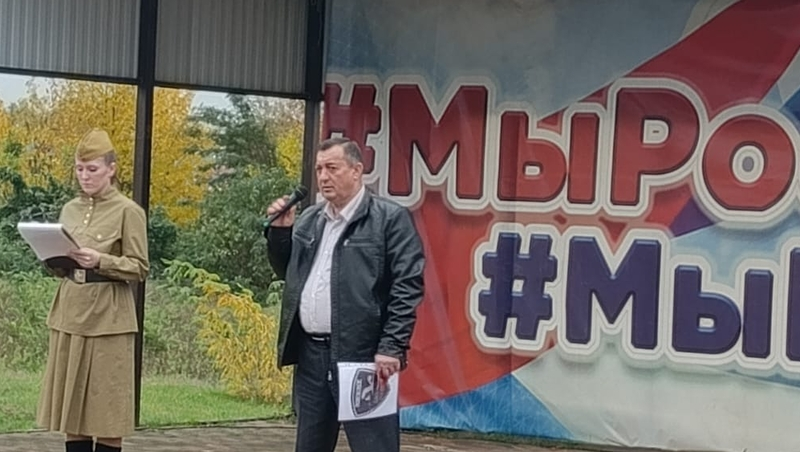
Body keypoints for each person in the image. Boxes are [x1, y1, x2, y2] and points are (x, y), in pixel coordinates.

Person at [265, 137, 426, 452]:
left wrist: (392, 346)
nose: (323, 177)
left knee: (373, 445)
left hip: (363, 356)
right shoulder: (310, 219)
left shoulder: (389, 219)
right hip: (312, 355)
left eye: (332, 168)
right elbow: (290, 274)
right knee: (309, 445)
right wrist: (281, 232)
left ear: (356, 170)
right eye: (319, 169)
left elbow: (407, 286)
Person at [36, 129, 149, 452]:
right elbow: (60, 263)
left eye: (92, 169)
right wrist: (52, 257)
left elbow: (139, 267)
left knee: (107, 413)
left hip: (108, 319)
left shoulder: (128, 211)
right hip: (70, 312)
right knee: (73, 414)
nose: (84, 176)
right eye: (79, 168)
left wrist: (101, 260)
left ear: (111, 169)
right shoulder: (70, 209)